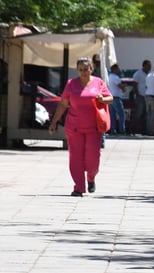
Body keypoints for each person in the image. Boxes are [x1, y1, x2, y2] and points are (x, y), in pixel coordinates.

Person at [48, 57, 113, 197]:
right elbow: (63, 104)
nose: (84, 72)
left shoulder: (98, 83)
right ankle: (78, 187)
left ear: (91, 69)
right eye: (81, 70)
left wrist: (102, 99)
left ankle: (91, 177)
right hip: (74, 128)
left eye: (86, 69)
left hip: (94, 128)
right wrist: (54, 122)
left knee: (93, 159)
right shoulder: (71, 84)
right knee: (75, 158)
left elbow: (110, 98)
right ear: (77, 70)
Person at [130, 60, 151, 135]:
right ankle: (132, 129)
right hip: (140, 97)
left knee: (145, 114)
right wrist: (137, 94)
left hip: (147, 97)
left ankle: (144, 130)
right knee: (138, 114)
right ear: (144, 65)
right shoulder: (138, 74)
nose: (150, 67)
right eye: (148, 65)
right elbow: (134, 84)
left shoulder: (149, 74)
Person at [108, 64, 127, 135]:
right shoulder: (115, 77)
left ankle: (112, 130)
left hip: (110, 97)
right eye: (117, 68)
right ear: (114, 69)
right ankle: (122, 130)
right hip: (116, 98)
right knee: (121, 114)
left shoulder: (109, 77)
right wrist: (124, 86)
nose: (119, 69)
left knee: (112, 115)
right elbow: (120, 86)